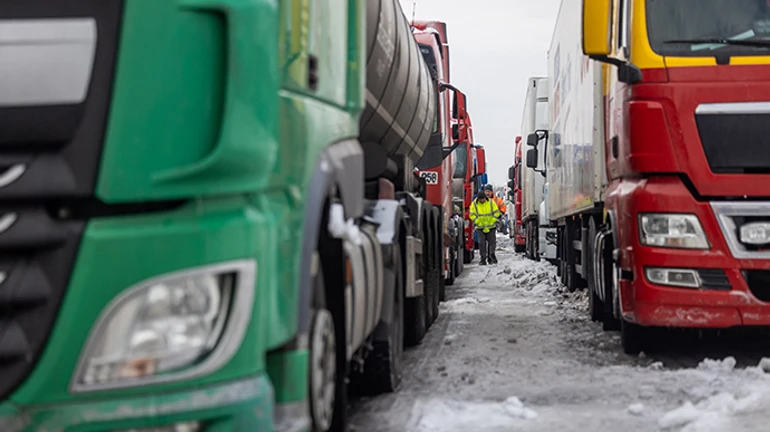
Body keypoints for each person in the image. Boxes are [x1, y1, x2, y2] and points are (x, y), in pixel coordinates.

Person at [469, 189, 502, 265]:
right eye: (481, 199)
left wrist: (493, 219)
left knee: (492, 243)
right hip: (480, 227)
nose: (482, 200)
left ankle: (491, 257)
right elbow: (472, 214)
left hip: (491, 226)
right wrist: (477, 221)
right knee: (482, 244)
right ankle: (483, 259)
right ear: (478, 198)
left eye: (483, 199)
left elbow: (496, 212)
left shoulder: (491, 203)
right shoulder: (474, 204)